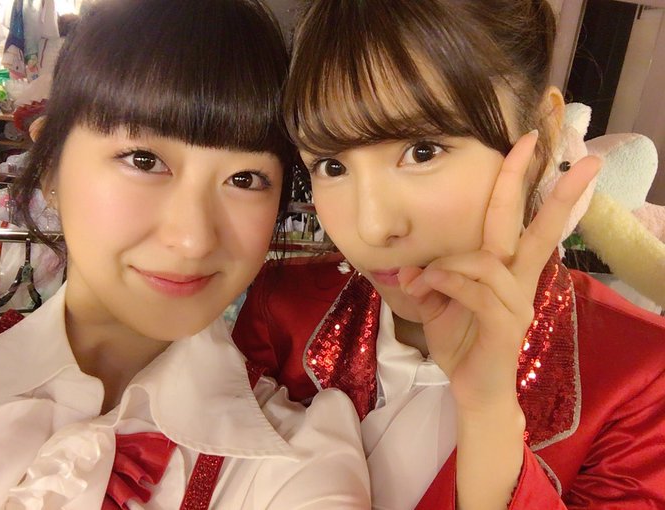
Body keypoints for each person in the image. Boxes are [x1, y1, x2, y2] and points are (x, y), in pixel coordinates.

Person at [232, 0, 665, 508]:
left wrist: (488, 413)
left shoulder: (642, 379)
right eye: (331, 165)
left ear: (542, 135)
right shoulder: (281, 311)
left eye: (422, 150)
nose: (373, 227)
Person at [0, 0, 370, 508]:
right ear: (51, 170)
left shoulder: (296, 462)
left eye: (245, 179)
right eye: (144, 160)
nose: (194, 240)